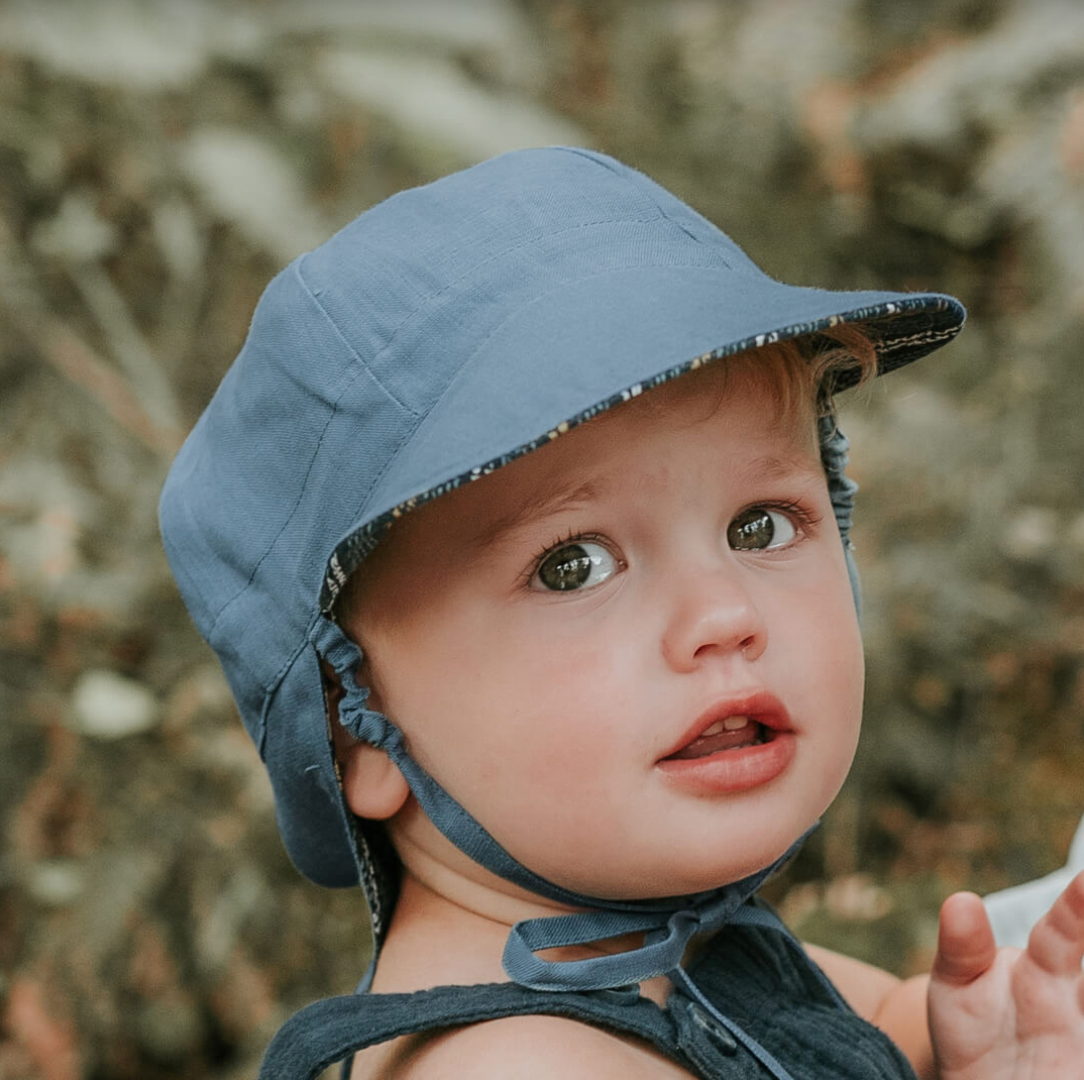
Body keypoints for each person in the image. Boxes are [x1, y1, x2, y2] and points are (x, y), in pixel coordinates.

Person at [159, 147, 1084, 1079]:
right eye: (573, 565)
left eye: (760, 524)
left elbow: (879, 1026)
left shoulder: (683, 956)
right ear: (348, 722)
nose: (725, 613)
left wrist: (971, 1049)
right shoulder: (518, 1066)